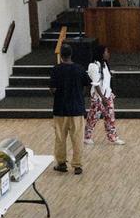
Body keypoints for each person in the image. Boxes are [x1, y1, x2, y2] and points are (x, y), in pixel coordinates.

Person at [50, 43, 91, 174]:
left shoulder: (56, 69)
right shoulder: (79, 69)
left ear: (61, 56)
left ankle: (61, 163)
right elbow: (87, 85)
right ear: (71, 55)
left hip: (60, 109)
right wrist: (80, 95)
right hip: (77, 109)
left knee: (60, 138)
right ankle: (77, 165)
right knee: (77, 138)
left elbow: (52, 88)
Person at [85, 44, 123, 146]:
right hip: (98, 97)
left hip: (107, 95)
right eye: (106, 52)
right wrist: (102, 98)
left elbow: (106, 80)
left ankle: (113, 137)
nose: (108, 53)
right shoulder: (93, 66)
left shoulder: (105, 65)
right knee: (93, 117)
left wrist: (109, 93)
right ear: (101, 54)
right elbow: (96, 83)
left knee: (110, 117)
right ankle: (87, 137)